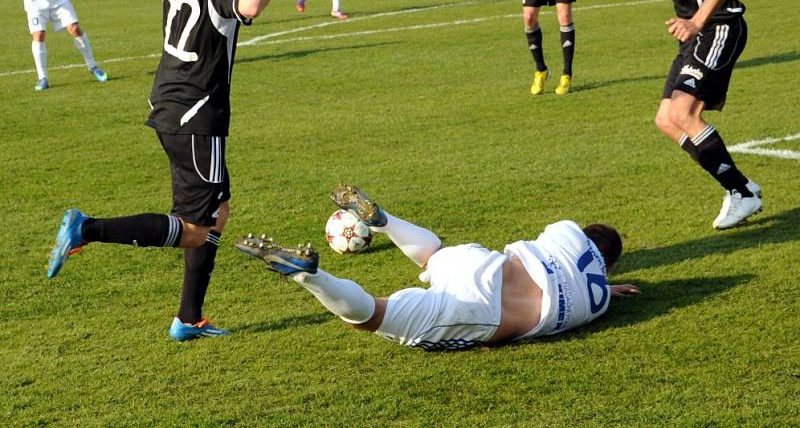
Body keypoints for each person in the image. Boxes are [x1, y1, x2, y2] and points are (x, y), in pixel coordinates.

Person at [46, 0, 300, 342]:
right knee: (197, 230)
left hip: (168, 102)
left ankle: (189, 317)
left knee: (218, 208)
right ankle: (88, 230)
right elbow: (248, 8)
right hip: (199, 115)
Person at [559, 0, 762, 230]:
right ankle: (741, 189)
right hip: (697, 33)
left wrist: (697, 21)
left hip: (718, 27)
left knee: (683, 112)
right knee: (667, 119)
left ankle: (741, 191)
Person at [236, 185, 640, 351]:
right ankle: (308, 274)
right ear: (609, 267)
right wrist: (610, 287)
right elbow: (591, 284)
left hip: (482, 264)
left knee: (436, 255)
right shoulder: (600, 300)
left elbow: (572, 264)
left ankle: (384, 220)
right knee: (373, 315)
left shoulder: (566, 232)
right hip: (485, 314)